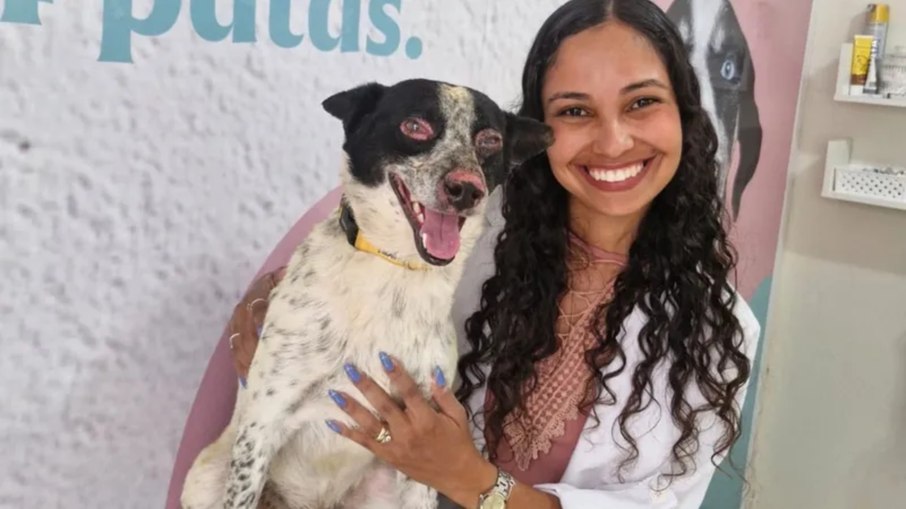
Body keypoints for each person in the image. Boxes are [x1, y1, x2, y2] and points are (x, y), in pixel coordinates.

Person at [225, 0, 761, 507]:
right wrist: (258, 309)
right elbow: (332, 255)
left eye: (642, 102)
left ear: (684, 114)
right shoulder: (464, 222)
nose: (614, 140)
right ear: (535, 132)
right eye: (575, 110)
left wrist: (468, 479)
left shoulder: (715, 327)